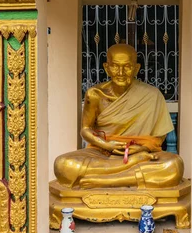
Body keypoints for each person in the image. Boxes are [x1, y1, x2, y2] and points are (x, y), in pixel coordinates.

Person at [54, 44, 184, 189]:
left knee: (174, 165)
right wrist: (106, 145)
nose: (121, 72)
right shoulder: (95, 94)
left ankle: (104, 181)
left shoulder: (153, 95)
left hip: (140, 152)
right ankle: (131, 171)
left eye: (127, 66)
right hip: (102, 152)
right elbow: (85, 129)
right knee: (63, 164)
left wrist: (142, 149)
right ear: (106, 67)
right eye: (115, 66)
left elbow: (160, 137)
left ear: (136, 68)